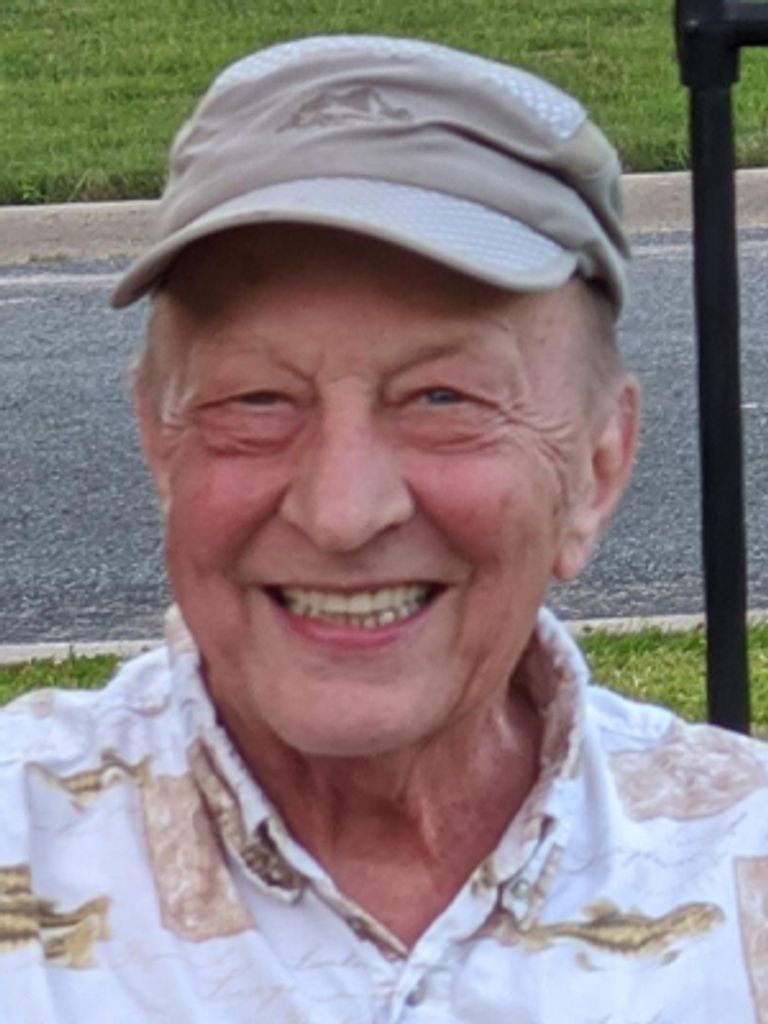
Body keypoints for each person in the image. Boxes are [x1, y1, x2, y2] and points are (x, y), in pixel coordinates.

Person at [2, 34, 767, 1023]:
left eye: (443, 398)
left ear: (595, 471)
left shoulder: (739, 873)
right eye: (258, 399)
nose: (343, 512)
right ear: (160, 443)